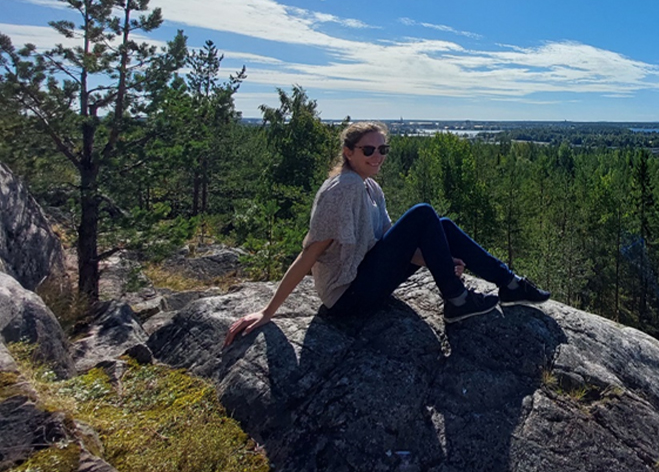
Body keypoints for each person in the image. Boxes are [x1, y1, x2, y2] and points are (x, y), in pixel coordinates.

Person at [224, 121, 548, 346]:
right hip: (346, 297)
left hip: (367, 280)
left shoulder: (371, 187)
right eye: (369, 150)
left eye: (383, 149)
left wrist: (441, 261)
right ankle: (458, 300)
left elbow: (394, 246)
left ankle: (509, 284)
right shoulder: (343, 189)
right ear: (348, 153)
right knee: (423, 213)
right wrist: (268, 311)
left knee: (442, 226)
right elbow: (311, 253)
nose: (378, 156)